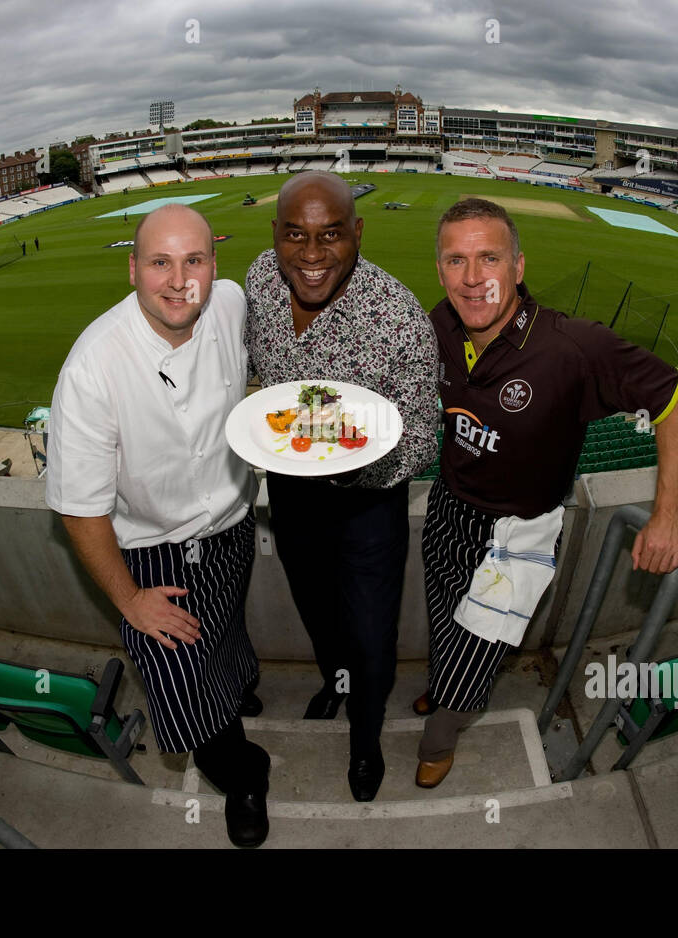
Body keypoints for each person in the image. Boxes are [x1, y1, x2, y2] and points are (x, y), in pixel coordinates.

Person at [414, 198, 678, 788]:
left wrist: (667, 514)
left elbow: (674, 396)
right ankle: (443, 689)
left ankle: (442, 732)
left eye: (488, 258)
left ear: (518, 266)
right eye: (456, 260)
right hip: (448, 509)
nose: (472, 278)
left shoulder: (574, 346)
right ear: (439, 271)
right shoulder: (435, 326)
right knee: (445, 623)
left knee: (477, 656)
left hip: (520, 532)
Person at [46, 203, 270, 847]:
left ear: (214, 266)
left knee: (227, 631)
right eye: (160, 263)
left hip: (230, 522)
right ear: (133, 269)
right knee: (186, 707)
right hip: (152, 553)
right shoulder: (93, 367)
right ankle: (244, 773)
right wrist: (128, 599)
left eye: (193, 260)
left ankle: (235, 691)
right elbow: (79, 508)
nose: (179, 281)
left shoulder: (229, 303)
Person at [244, 171, 439, 802]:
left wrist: (351, 469)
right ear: (275, 234)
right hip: (291, 498)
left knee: (371, 632)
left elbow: (420, 437)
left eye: (330, 235)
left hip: (368, 508)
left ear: (358, 232)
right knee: (319, 614)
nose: (311, 254)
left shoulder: (399, 314)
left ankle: (366, 738)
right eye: (295, 235)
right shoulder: (257, 284)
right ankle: (337, 681)